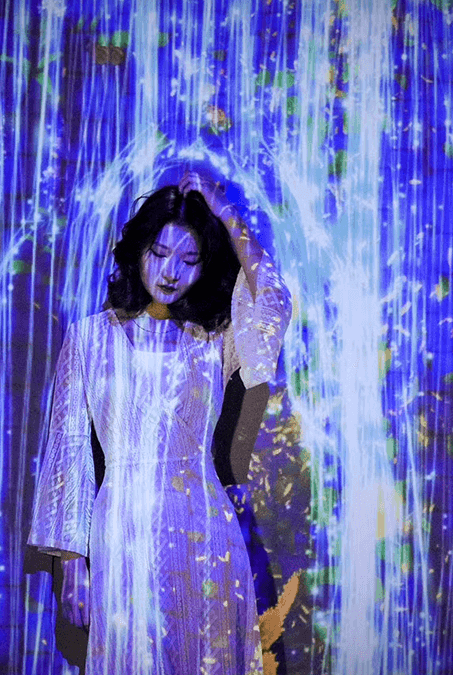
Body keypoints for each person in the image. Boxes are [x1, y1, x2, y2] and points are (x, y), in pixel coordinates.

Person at [28, 171, 291, 674]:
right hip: (121, 530)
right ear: (138, 250)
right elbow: (69, 450)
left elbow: (272, 304)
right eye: (160, 253)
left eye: (189, 260)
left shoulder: (214, 340)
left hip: (205, 534)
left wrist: (224, 212)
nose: (171, 272)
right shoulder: (90, 338)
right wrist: (72, 564)